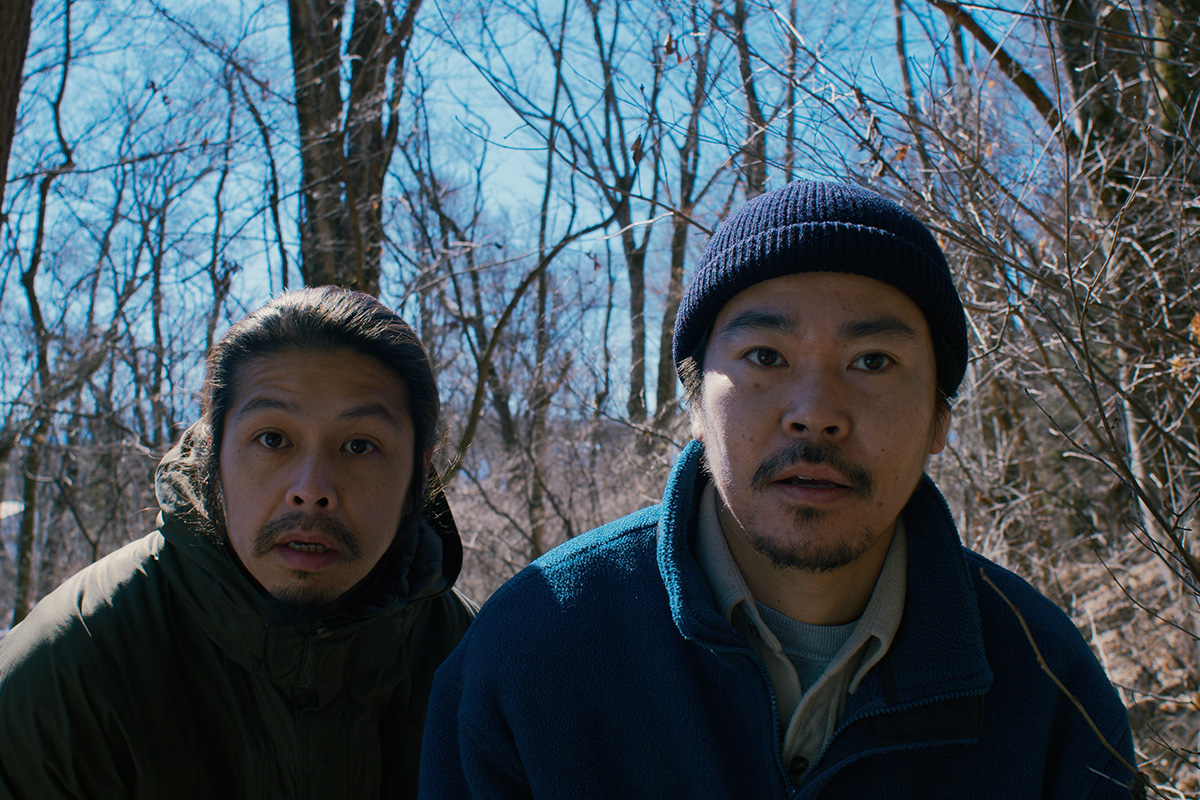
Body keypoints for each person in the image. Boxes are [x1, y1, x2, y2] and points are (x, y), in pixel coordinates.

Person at [418, 180, 1140, 798]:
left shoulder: (1046, 684)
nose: (815, 413)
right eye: (765, 355)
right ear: (694, 404)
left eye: (873, 361)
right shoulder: (533, 651)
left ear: (939, 420)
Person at [0, 286, 475, 799]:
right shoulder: (69, 669)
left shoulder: (473, 663)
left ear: (419, 472)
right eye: (273, 439)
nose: (311, 490)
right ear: (212, 452)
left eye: (359, 446)